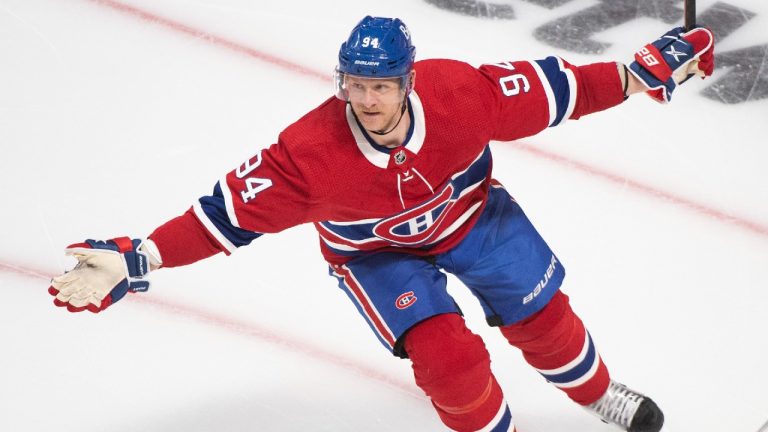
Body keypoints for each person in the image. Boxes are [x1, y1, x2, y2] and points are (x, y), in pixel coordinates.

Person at [48, 16, 715, 432]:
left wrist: (635, 74)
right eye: (355, 84)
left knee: (545, 319)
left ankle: (600, 397)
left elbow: (562, 90)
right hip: (375, 256)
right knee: (449, 362)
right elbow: (223, 216)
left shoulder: (460, 95)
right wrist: (144, 257)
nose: (366, 99)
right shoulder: (306, 155)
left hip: (475, 216)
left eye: (381, 85)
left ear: (408, 81)